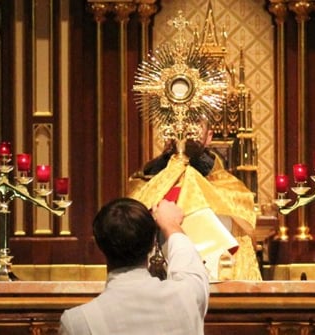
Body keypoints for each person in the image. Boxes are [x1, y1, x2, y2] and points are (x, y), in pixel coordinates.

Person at [127, 117, 263, 281]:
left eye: (195, 123)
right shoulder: (145, 183)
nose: (186, 130)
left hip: (214, 281)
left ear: (209, 136)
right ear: (167, 133)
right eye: (178, 122)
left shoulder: (230, 189)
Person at [59, 198, 209, 335]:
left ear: (100, 247)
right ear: (152, 244)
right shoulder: (187, 296)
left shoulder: (78, 323)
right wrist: (170, 224)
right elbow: (188, 260)